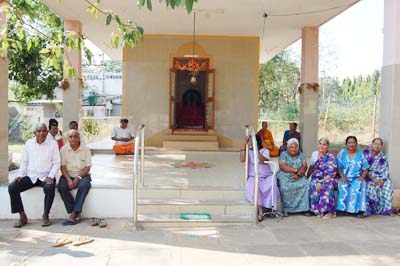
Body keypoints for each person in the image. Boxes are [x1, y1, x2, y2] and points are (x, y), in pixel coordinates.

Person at [8, 123, 60, 227]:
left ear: (47, 132)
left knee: (50, 188)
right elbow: (24, 161)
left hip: (46, 176)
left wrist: (51, 176)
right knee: (12, 187)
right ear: (34, 133)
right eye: (39, 131)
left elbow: (56, 162)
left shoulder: (53, 144)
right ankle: (22, 216)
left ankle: (45, 215)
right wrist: (21, 175)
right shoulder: (28, 143)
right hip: (31, 176)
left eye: (44, 131)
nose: (42, 133)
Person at [240, 135, 280, 222]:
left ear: (256, 142)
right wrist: (243, 145)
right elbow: (242, 159)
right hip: (254, 177)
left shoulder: (264, 151)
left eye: (251, 141)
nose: (249, 143)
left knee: (272, 183)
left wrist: (255, 150)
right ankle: (260, 210)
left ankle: (270, 208)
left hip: (266, 176)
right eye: (249, 141)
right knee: (253, 186)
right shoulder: (248, 152)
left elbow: (263, 160)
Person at [58, 129, 92, 225]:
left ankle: (73, 214)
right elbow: (63, 167)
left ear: (79, 137)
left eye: (75, 136)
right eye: (70, 136)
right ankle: (75, 211)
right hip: (67, 174)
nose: (73, 138)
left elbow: (87, 168)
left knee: (84, 185)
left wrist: (78, 178)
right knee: (62, 187)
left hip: (82, 174)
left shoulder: (86, 149)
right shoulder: (63, 150)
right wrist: (69, 180)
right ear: (68, 138)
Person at [336, 136, 369, 218]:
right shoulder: (342, 153)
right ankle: (342, 210)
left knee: (358, 186)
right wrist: (342, 177)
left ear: (356, 143)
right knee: (343, 186)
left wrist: (362, 177)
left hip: (356, 178)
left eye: (353, 142)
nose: (351, 144)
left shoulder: (361, 154)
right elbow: (338, 167)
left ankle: (356, 211)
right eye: (349, 143)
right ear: (346, 144)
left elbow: (366, 168)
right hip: (345, 177)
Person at [276, 138, 309, 216]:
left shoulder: (301, 154)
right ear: (287, 148)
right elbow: (283, 167)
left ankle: (304, 208)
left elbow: (305, 166)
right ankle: (286, 209)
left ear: (298, 148)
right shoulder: (284, 154)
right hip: (285, 175)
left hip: (299, 176)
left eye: (295, 147)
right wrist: (296, 170)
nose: (293, 149)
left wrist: (299, 174)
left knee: (306, 183)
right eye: (291, 147)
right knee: (285, 186)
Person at [307, 138, 338, 219]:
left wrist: (321, 181)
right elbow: (311, 167)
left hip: (328, 178)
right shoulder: (314, 154)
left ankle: (329, 212)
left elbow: (332, 173)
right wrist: (306, 177)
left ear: (328, 147)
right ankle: (316, 210)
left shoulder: (331, 157)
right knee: (313, 184)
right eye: (320, 143)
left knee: (326, 186)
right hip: (316, 177)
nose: (321, 146)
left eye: (324, 144)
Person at [363, 138, 394, 216]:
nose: (377, 146)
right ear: (372, 144)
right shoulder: (364, 154)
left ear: (382, 146)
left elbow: (386, 169)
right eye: (375, 143)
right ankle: (374, 209)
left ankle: (387, 210)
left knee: (388, 185)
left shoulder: (383, 156)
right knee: (370, 186)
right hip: (368, 177)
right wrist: (373, 179)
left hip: (381, 177)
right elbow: (362, 169)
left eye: (379, 144)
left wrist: (383, 180)